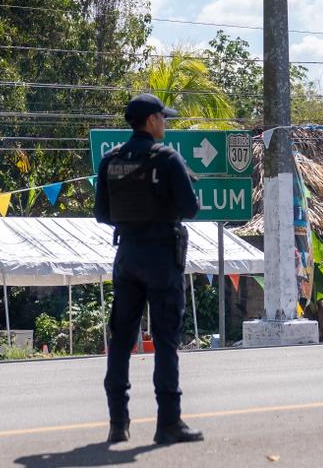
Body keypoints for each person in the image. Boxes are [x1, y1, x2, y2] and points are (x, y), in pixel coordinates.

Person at [95, 92, 203, 446]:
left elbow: (102, 214)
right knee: (166, 340)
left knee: (121, 340)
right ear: (152, 120)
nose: (165, 123)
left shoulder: (110, 160)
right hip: (161, 257)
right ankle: (168, 423)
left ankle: (118, 423)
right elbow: (190, 208)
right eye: (163, 117)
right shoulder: (167, 158)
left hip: (127, 256)